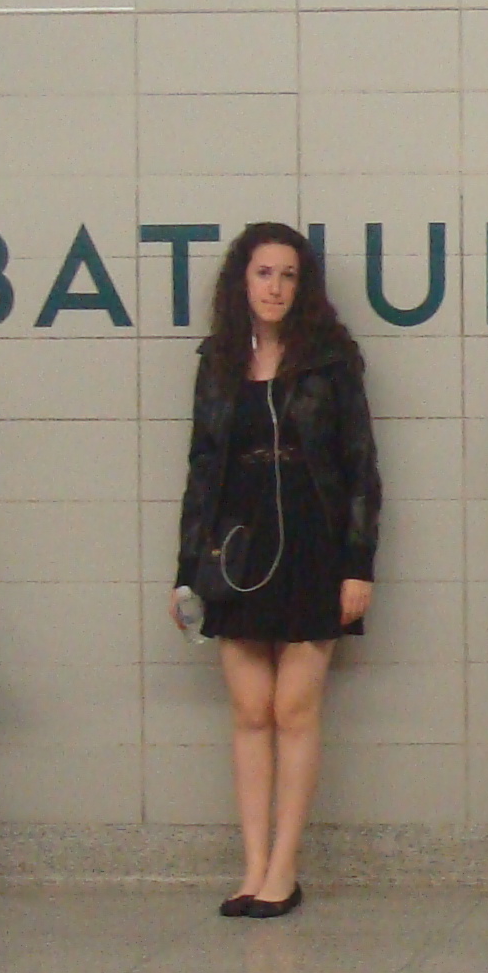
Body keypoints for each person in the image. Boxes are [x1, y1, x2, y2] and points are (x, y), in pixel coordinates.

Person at [172, 224, 380, 920]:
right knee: (249, 711)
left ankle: (284, 869)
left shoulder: (331, 359)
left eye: (289, 275)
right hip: (238, 546)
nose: (275, 287)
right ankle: (252, 865)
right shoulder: (219, 360)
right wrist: (185, 569)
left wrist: (359, 566)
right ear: (242, 281)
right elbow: (203, 468)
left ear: (304, 286)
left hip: (315, 546)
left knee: (294, 709)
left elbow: (360, 469)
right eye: (264, 273)